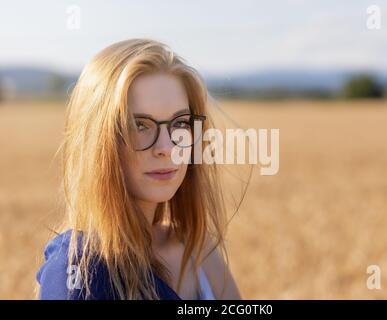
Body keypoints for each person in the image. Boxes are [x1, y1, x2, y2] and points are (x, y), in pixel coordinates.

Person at [36, 38, 241, 300]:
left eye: (180, 123)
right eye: (139, 125)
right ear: (97, 142)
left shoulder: (198, 249)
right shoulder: (80, 275)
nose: (167, 148)